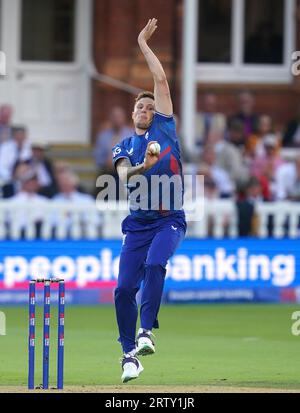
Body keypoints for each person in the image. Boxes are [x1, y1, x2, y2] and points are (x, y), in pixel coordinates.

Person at [111, 19, 186, 383]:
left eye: (150, 107)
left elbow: (160, 80)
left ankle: (146, 332)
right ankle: (129, 356)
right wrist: (146, 165)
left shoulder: (165, 128)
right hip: (137, 223)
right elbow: (124, 176)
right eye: (140, 107)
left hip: (169, 218)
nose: (145, 110)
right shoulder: (124, 146)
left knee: (156, 264)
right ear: (132, 114)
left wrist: (142, 42)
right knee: (123, 288)